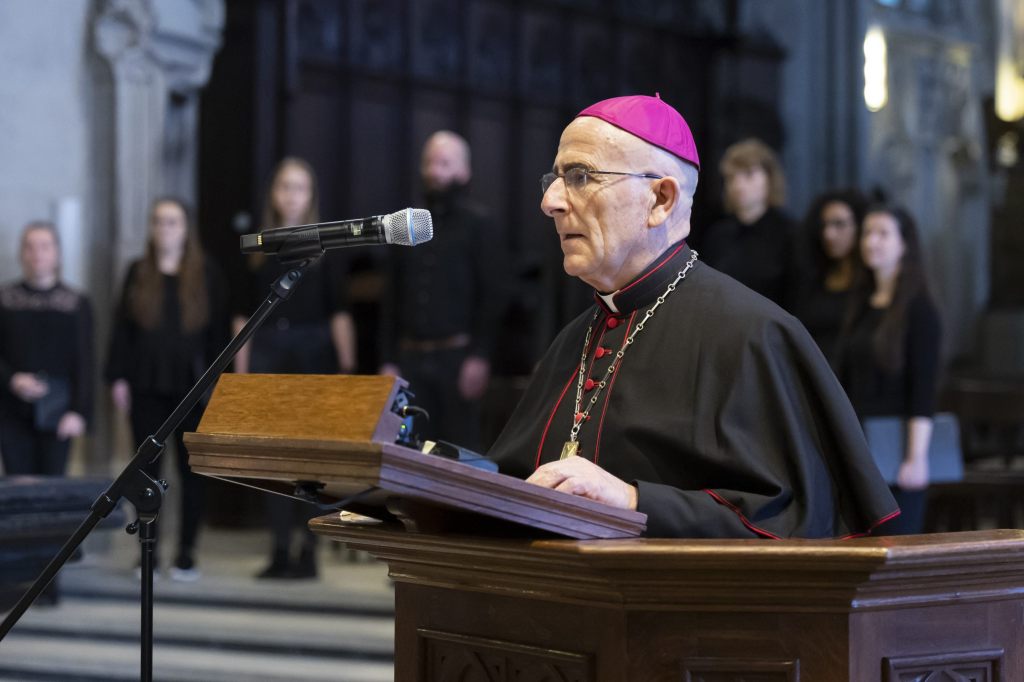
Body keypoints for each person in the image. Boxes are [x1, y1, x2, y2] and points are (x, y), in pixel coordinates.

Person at [487, 94, 898, 538]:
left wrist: (633, 501)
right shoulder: (573, 341)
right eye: (555, 178)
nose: (551, 201)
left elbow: (794, 523)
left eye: (581, 176)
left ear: (661, 199)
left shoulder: (752, 334)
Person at [234, 157, 356, 579]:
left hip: (313, 353)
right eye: (285, 186)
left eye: (300, 187)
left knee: (311, 460)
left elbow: (339, 313)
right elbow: (241, 316)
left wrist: (346, 366)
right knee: (276, 458)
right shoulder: (256, 248)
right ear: (274, 193)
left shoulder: (326, 248)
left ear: (310, 196)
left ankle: (309, 550)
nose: (291, 195)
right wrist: (243, 372)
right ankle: (280, 548)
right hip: (268, 352)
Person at [106, 197, 227, 581]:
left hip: (193, 388)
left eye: (173, 222)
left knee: (192, 475)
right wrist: (117, 377)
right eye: (159, 222)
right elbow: (122, 331)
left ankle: (186, 553)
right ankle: (148, 554)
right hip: (146, 384)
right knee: (146, 474)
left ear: (186, 228)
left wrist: (218, 384)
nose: (165, 229)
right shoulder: (138, 272)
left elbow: (219, 335)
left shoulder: (207, 273)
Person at [379, 131, 500, 451]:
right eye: (430, 162)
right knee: (403, 450)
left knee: (455, 451)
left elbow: (492, 295)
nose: (434, 171)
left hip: (456, 358)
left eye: (444, 163)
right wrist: (388, 360)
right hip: (409, 358)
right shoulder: (405, 223)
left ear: (464, 171)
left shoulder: (479, 225)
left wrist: (480, 356)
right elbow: (390, 297)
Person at [835, 205, 941, 535]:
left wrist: (916, 458)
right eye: (867, 232)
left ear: (904, 244)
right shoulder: (862, 304)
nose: (872, 241)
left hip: (897, 452)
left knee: (894, 549)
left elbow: (923, 390)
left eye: (883, 233)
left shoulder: (919, 308)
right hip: (861, 448)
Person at [0, 222, 93, 476]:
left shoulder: (76, 303)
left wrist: (78, 411)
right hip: (11, 410)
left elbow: (84, 360)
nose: (37, 253)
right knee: (17, 486)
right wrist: (12, 379)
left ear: (57, 253)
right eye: (29, 247)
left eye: (44, 246)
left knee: (52, 488)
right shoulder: (4, 299)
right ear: (21, 253)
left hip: (59, 411)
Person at [699, 138, 799, 309]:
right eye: (731, 177)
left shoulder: (792, 235)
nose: (738, 185)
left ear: (769, 178)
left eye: (749, 174)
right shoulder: (718, 235)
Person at [793, 189, 868, 362]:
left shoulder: (871, 285)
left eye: (839, 224)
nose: (829, 234)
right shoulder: (813, 278)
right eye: (824, 225)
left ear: (860, 226)